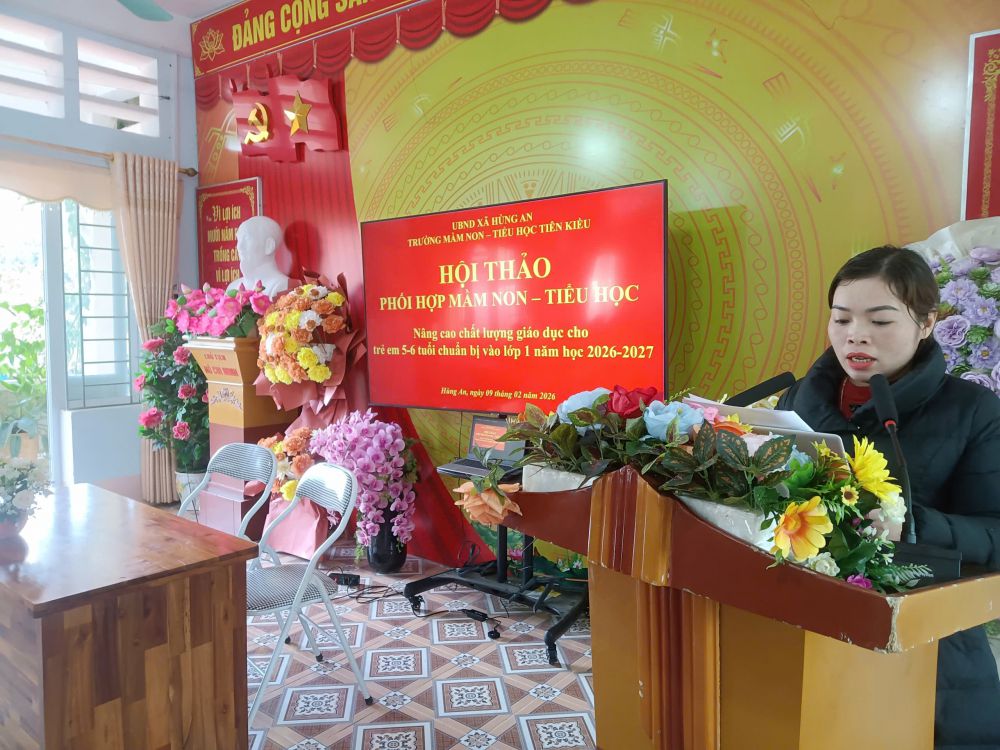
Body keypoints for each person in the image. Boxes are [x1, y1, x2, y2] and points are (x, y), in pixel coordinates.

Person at [778, 245, 1000, 749]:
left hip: (928, 657)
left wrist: (912, 526)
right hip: (801, 639)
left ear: (927, 322)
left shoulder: (973, 411)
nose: (856, 335)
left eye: (879, 320)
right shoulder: (797, 401)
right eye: (841, 319)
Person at [227, 215, 292, 297]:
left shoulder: (282, 285)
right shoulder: (233, 287)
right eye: (238, 239)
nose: (239, 247)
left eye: (247, 238)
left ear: (269, 246)